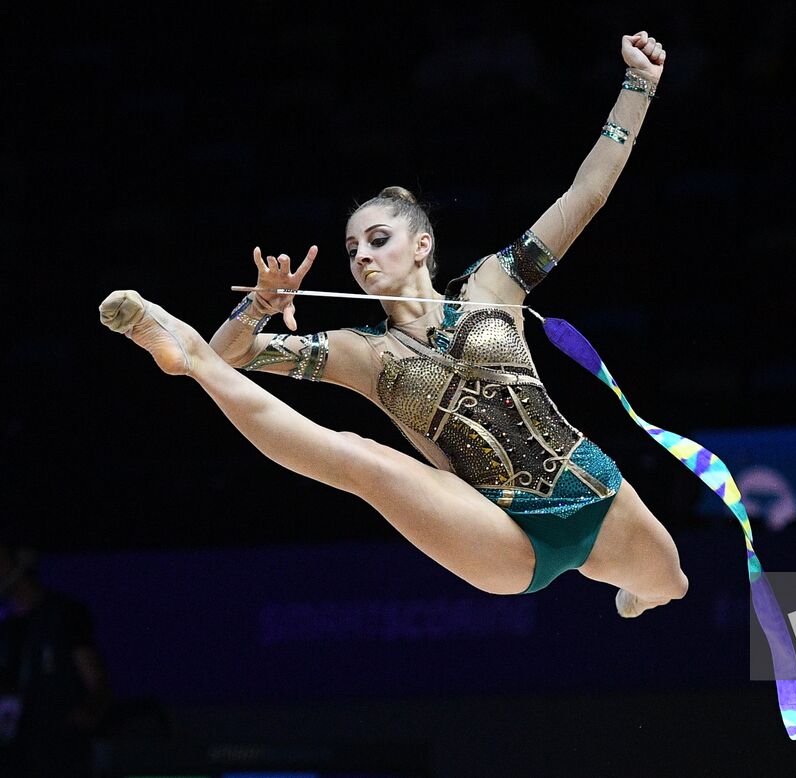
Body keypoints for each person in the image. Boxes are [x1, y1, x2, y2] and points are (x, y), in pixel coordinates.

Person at [98, 32, 686, 618]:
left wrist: (639, 85)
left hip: (592, 491)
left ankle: (632, 597)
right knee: (362, 461)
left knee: (671, 586)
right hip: (494, 534)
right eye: (353, 250)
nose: (363, 257)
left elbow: (586, 195)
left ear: (422, 244)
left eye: (378, 241)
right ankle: (183, 351)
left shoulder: (494, 287)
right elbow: (236, 356)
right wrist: (257, 307)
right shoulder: (363, 352)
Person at [0, 541, 114, 777]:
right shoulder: (6, 629)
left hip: (59, 756)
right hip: (16, 757)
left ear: (19, 562)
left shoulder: (63, 615)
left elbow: (97, 684)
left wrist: (87, 714)